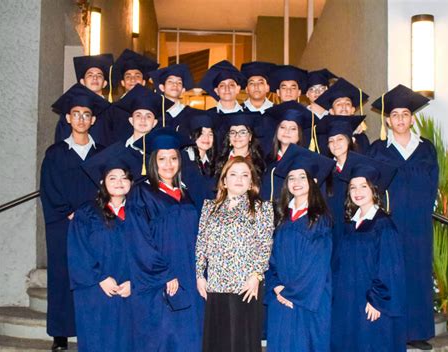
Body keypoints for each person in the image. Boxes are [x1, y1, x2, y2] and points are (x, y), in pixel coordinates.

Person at [40, 84, 109, 351]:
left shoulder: (102, 153)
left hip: (94, 225)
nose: (81, 118)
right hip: (63, 225)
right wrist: (69, 213)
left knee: (94, 274)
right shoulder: (55, 153)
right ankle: (60, 333)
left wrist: (90, 214)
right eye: (76, 113)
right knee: (61, 276)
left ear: (93, 120)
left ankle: (90, 329)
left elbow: (108, 187)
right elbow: (49, 189)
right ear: (68, 118)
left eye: (86, 114)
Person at [369, 84, 437, 350]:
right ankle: (390, 329)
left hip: (419, 223)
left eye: (404, 114)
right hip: (389, 223)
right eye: (394, 114)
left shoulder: (426, 149)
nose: (399, 119)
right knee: (390, 273)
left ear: (412, 118)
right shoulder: (377, 150)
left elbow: (432, 183)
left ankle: (417, 331)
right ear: (387, 119)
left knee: (418, 273)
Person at [127, 128, 204, 351]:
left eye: (173, 158)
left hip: (189, 273)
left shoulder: (185, 192)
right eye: (162, 159)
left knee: (190, 332)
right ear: (153, 161)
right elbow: (139, 240)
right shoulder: (141, 193)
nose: (168, 164)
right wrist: (164, 273)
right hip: (162, 277)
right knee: (165, 335)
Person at [68, 144, 143, 351]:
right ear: (102, 182)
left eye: (124, 177)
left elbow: (149, 253)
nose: (119, 182)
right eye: (112, 178)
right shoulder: (86, 214)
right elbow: (78, 251)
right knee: (99, 341)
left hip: (131, 289)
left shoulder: (142, 213)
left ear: (131, 182)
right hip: (95, 291)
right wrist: (99, 277)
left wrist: (136, 281)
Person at [196, 156, 274, 352]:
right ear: (224, 180)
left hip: (246, 285)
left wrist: (256, 276)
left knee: (242, 341)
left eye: (244, 175)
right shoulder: (209, 207)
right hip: (216, 283)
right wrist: (199, 275)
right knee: (219, 341)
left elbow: (265, 245)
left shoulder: (262, 208)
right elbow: (201, 243)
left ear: (251, 182)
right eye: (233, 174)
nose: (239, 179)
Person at [331, 154, 406, 352]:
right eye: (353, 187)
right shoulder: (351, 224)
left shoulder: (383, 225)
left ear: (374, 189)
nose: (357, 192)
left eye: (363, 186)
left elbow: (390, 268)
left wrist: (377, 300)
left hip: (370, 302)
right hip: (348, 301)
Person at [265, 144, 335, 352]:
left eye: (302, 177)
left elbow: (317, 266)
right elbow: (270, 258)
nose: (296, 182)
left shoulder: (320, 219)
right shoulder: (280, 216)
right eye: (292, 178)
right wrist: (276, 286)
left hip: (309, 300)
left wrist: (290, 294)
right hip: (281, 296)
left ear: (313, 182)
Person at [316, 115, 366, 257]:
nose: (335, 144)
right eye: (331, 140)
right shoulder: (325, 171)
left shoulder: (362, 169)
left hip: (357, 234)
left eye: (340, 139)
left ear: (350, 140)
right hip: (332, 235)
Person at [54, 54, 113, 144]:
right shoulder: (70, 111)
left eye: (99, 75)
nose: (95, 78)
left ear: (105, 83)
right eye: (90, 75)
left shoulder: (112, 111)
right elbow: (62, 142)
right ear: (82, 82)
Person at [260, 101, 311, 202]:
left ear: (299, 135)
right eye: (283, 127)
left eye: (293, 129)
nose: (287, 132)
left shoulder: (308, 164)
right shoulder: (265, 162)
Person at [108, 49, 160, 143]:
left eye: (137, 76)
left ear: (143, 82)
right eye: (128, 76)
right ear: (123, 83)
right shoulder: (113, 109)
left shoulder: (154, 108)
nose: (133, 80)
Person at [315, 77, 370, 154]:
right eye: (338, 104)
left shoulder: (361, 138)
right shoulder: (323, 138)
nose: (344, 106)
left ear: (352, 110)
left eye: (347, 103)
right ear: (331, 111)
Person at [178, 112, 218, 212]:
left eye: (210, 134)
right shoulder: (181, 160)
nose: (206, 138)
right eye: (201, 133)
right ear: (191, 136)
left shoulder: (214, 163)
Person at [113, 83, 173, 148]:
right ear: (131, 120)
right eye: (138, 115)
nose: (143, 119)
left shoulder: (161, 152)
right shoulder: (117, 150)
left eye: (148, 116)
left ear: (154, 123)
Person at [148, 63, 200, 130]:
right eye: (170, 81)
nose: (175, 84)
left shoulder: (193, 115)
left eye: (179, 82)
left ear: (183, 90)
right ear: (162, 87)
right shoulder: (153, 115)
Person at [215, 112, 266, 179]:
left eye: (242, 132)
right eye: (233, 132)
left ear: (250, 136)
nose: (237, 136)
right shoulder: (220, 161)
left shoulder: (259, 163)